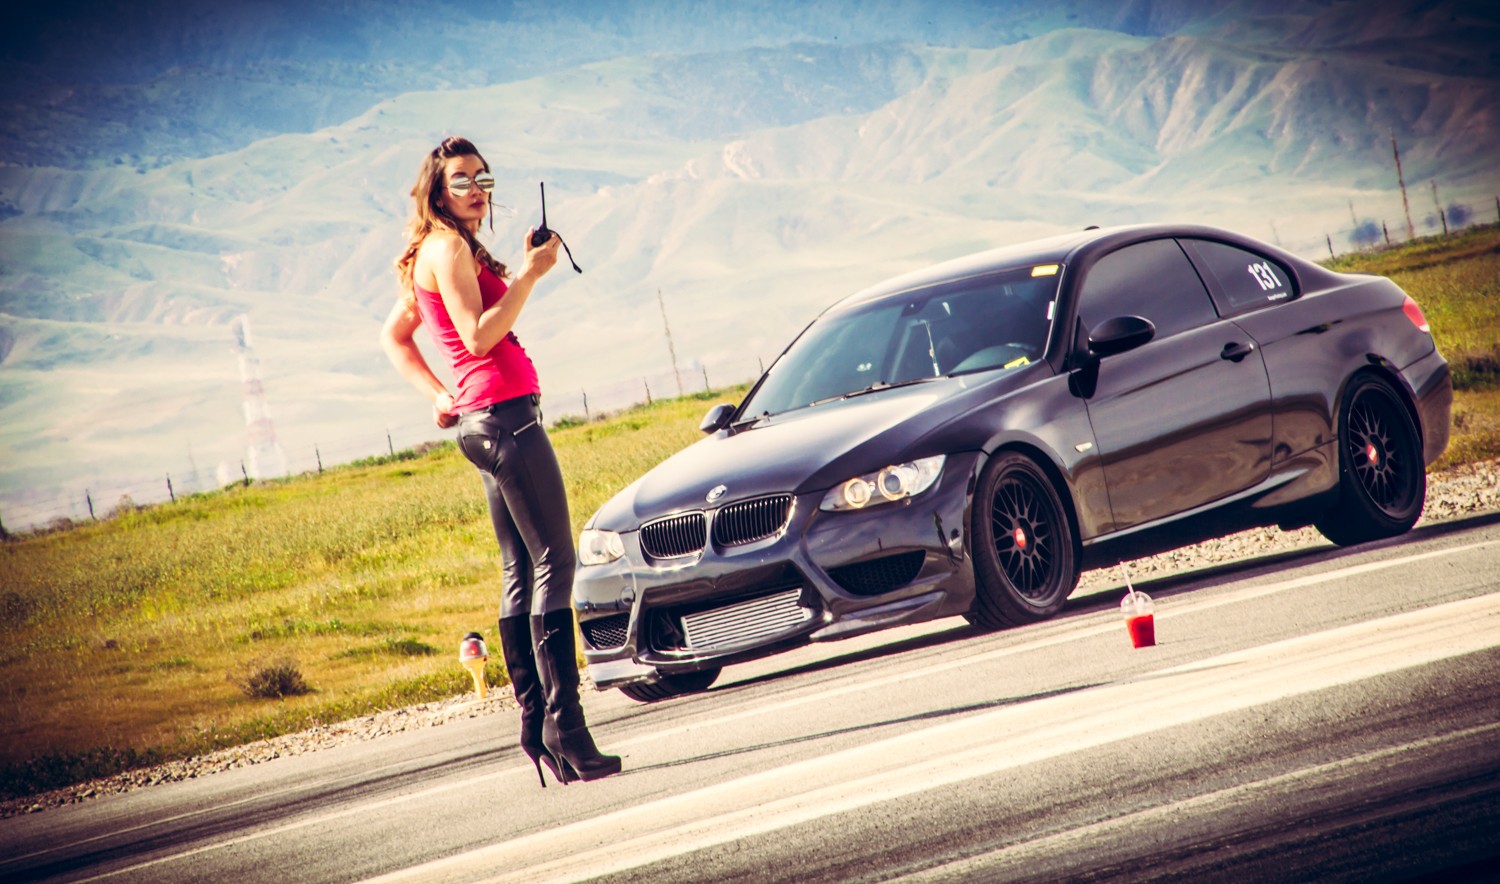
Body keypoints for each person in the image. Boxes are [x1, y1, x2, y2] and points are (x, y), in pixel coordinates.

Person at [380, 136, 620, 786]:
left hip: (483, 421)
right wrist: (533, 275)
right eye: (461, 180)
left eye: (483, 178)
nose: (477, 189)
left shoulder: (436, 250)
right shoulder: (448, 247)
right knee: (556, 561)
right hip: (505, 418)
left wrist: (438, 395)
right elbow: (481, 335)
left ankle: (537, 721)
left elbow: (396, 337)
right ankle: (565, 727)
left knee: (522, 568)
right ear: (436, 190)